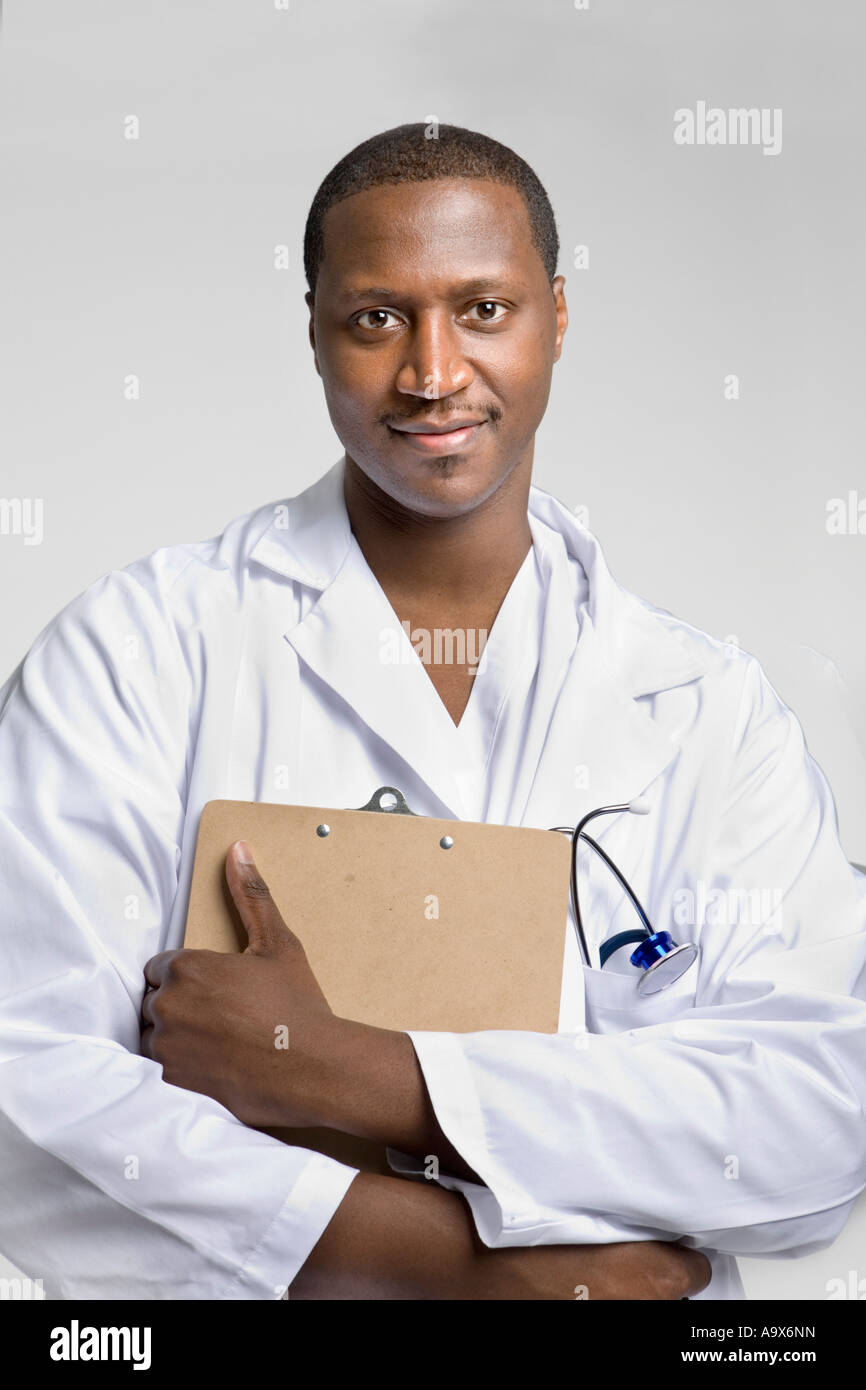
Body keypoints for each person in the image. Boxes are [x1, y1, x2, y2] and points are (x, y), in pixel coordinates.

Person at [1, 123, 864, 1303]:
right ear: (312, 330)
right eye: (375, 318)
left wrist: (363, 1073)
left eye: (483, 310)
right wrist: (450, 1268)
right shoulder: (139, 652)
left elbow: (818, 1121)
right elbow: (25, 1092)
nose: (432, 372)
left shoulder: (707, 710)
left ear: (555, 317)